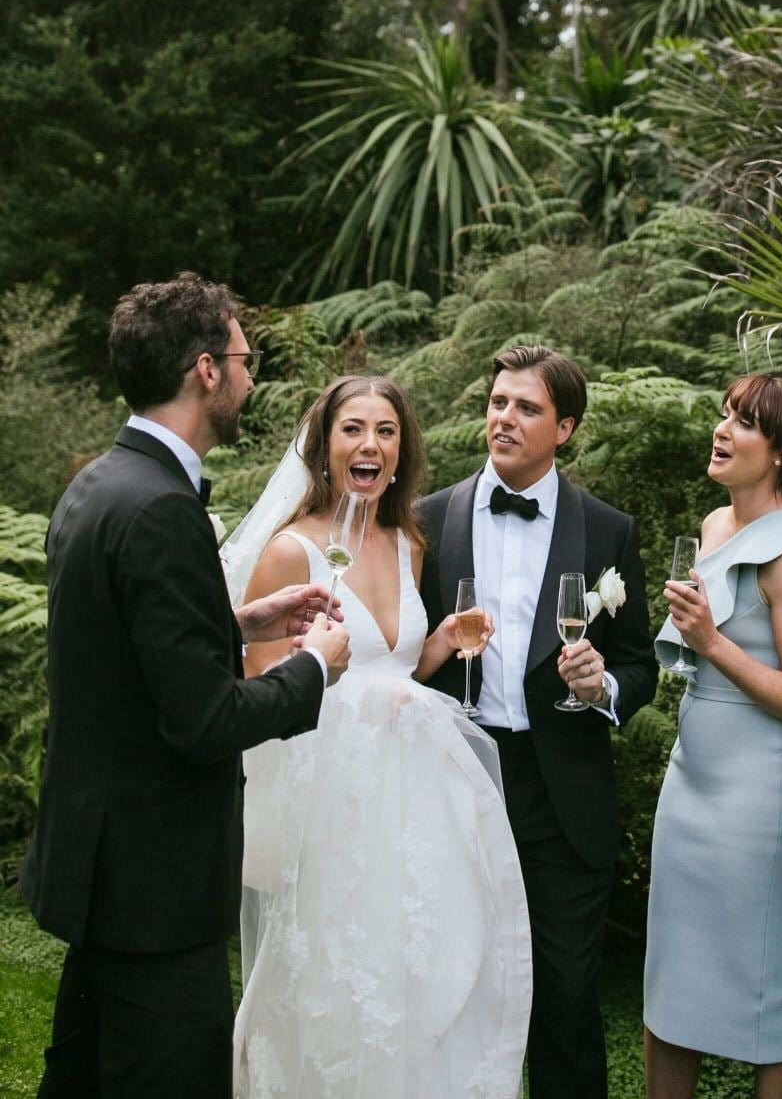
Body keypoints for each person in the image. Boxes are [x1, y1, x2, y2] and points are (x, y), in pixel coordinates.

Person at [20, 273, 352, 1099]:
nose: (250, 375)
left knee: (83, 1078)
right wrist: (316, 665)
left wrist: (242, 621)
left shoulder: (101, 482)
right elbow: (203, 718)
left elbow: (122, 653)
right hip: (158, 889)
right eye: (244, 356)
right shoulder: (163, 509)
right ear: (206, 370)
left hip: (105, 869)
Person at [224, 375, 532, 1098]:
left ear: (402, 451)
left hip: (413, 806)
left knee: (414, 973)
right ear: (324, 446)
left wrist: (443, 639)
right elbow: (260, 701)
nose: (370, 443)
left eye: (386, 431)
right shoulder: (290, 553)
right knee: (330, 975)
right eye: (353, 428)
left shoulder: (407, 544)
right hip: (329, 808)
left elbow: (396, 665)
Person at [415, 344, 658, 1099]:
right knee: (456, 993)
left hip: (563, 793)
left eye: (526, 407)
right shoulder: (429, 518)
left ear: (566, 427)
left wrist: (602, 685)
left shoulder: (608, 529)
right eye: (497, 402)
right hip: (456, 779)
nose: (504, 418)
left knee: (565, 996)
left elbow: (640, 664)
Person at [643, 374, 782, 1099]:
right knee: (670, 978)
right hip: (690, 781)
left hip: (756, 798)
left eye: (745, 423)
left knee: (762, 994)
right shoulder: (716, 526)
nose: (723, 430)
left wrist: (712, 643)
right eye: (725, 414)